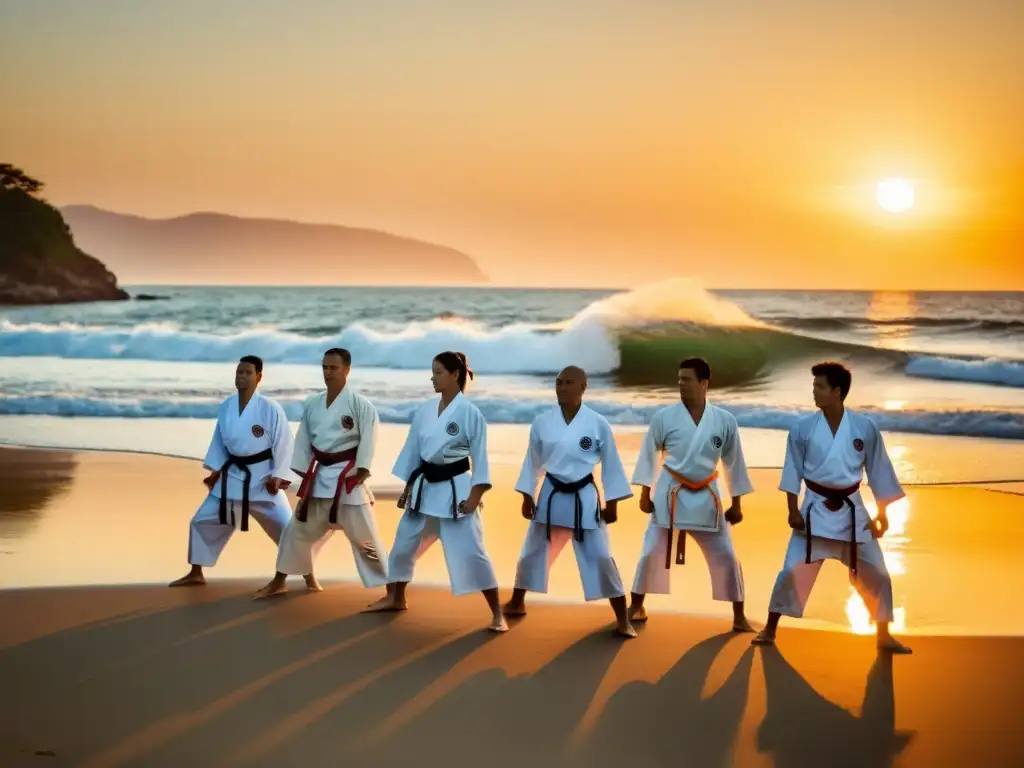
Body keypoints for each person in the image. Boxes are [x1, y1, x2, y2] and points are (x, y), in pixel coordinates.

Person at [752, 362, 912, 653]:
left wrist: (883, 513)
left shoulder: (864, 427)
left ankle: (883, 635)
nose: (814, 392)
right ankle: (770, 628)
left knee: (877, 571)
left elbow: (878, 470)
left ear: (837, 392)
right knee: (790, 571)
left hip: (853, 512)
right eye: (814, 386)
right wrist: (792, 510)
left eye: (820, 387)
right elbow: (792, 471)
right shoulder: (802, 429)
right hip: (814, 512)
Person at [364, 351, 506, 632]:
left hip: (457, 494)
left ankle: (497, 614)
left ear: (455, 375)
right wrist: (407, 489)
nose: (432, 377)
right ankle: (396, 597)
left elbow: (480, 458)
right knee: (403, 545)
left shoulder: (470, 413)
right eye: (432, 372)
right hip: (424, 490)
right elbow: (413, 451)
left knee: (473, 553)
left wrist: (475, 496)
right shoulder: (426, 410)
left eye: (438, 372)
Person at [502, 366, 636, 637]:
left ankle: (623, 618)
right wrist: (527, 495)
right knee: (531, 553)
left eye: (568, 383)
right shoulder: (542, 422)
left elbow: (611, 466)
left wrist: (613, 504)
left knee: (600, 556)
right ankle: (517, 602)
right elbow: (533, 463)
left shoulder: (597, 423)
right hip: (551, 495)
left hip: (583, 497)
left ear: (583, 387)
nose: (561, 387)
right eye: (558, 382)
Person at [629, 357, 755, 631]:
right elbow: (649, 456)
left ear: (704, 383)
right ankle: (636, 605)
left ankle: (739, 616)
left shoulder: (724, 420)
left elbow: (734, 463)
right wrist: (644, 492)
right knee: (650, 551)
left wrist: (737, 503)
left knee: (726, 555)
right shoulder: (664, 418)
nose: (681, 385)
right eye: (679, 381)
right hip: (670, 493)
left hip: (708, 496)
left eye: (687, 380)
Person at [254, 348, 388, 599]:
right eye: (325, 367)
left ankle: (393, 592)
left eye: (334, 368)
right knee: (296, 532)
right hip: (319, 479)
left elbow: (370, 439)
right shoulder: (313, 404)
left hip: (348, 481)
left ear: (347, 370)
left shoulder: (361, 405)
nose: (328, 372)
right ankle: (279, 580)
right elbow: (303, 441)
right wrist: (294, 474)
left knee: (366, 540)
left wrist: (362, 470)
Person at [169, 355, 295, 587]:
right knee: (202, 520)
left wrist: (279, 475)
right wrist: (215, 470)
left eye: (247, 372)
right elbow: (220, 441)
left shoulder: (270, 408)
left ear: (259, 377)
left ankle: (307, 576)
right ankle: (196, 572)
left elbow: (284, 442)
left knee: (288, 530)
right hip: (232, 478)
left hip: (263, 479)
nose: (242, 377)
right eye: (239, 372)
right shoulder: (227, 406)